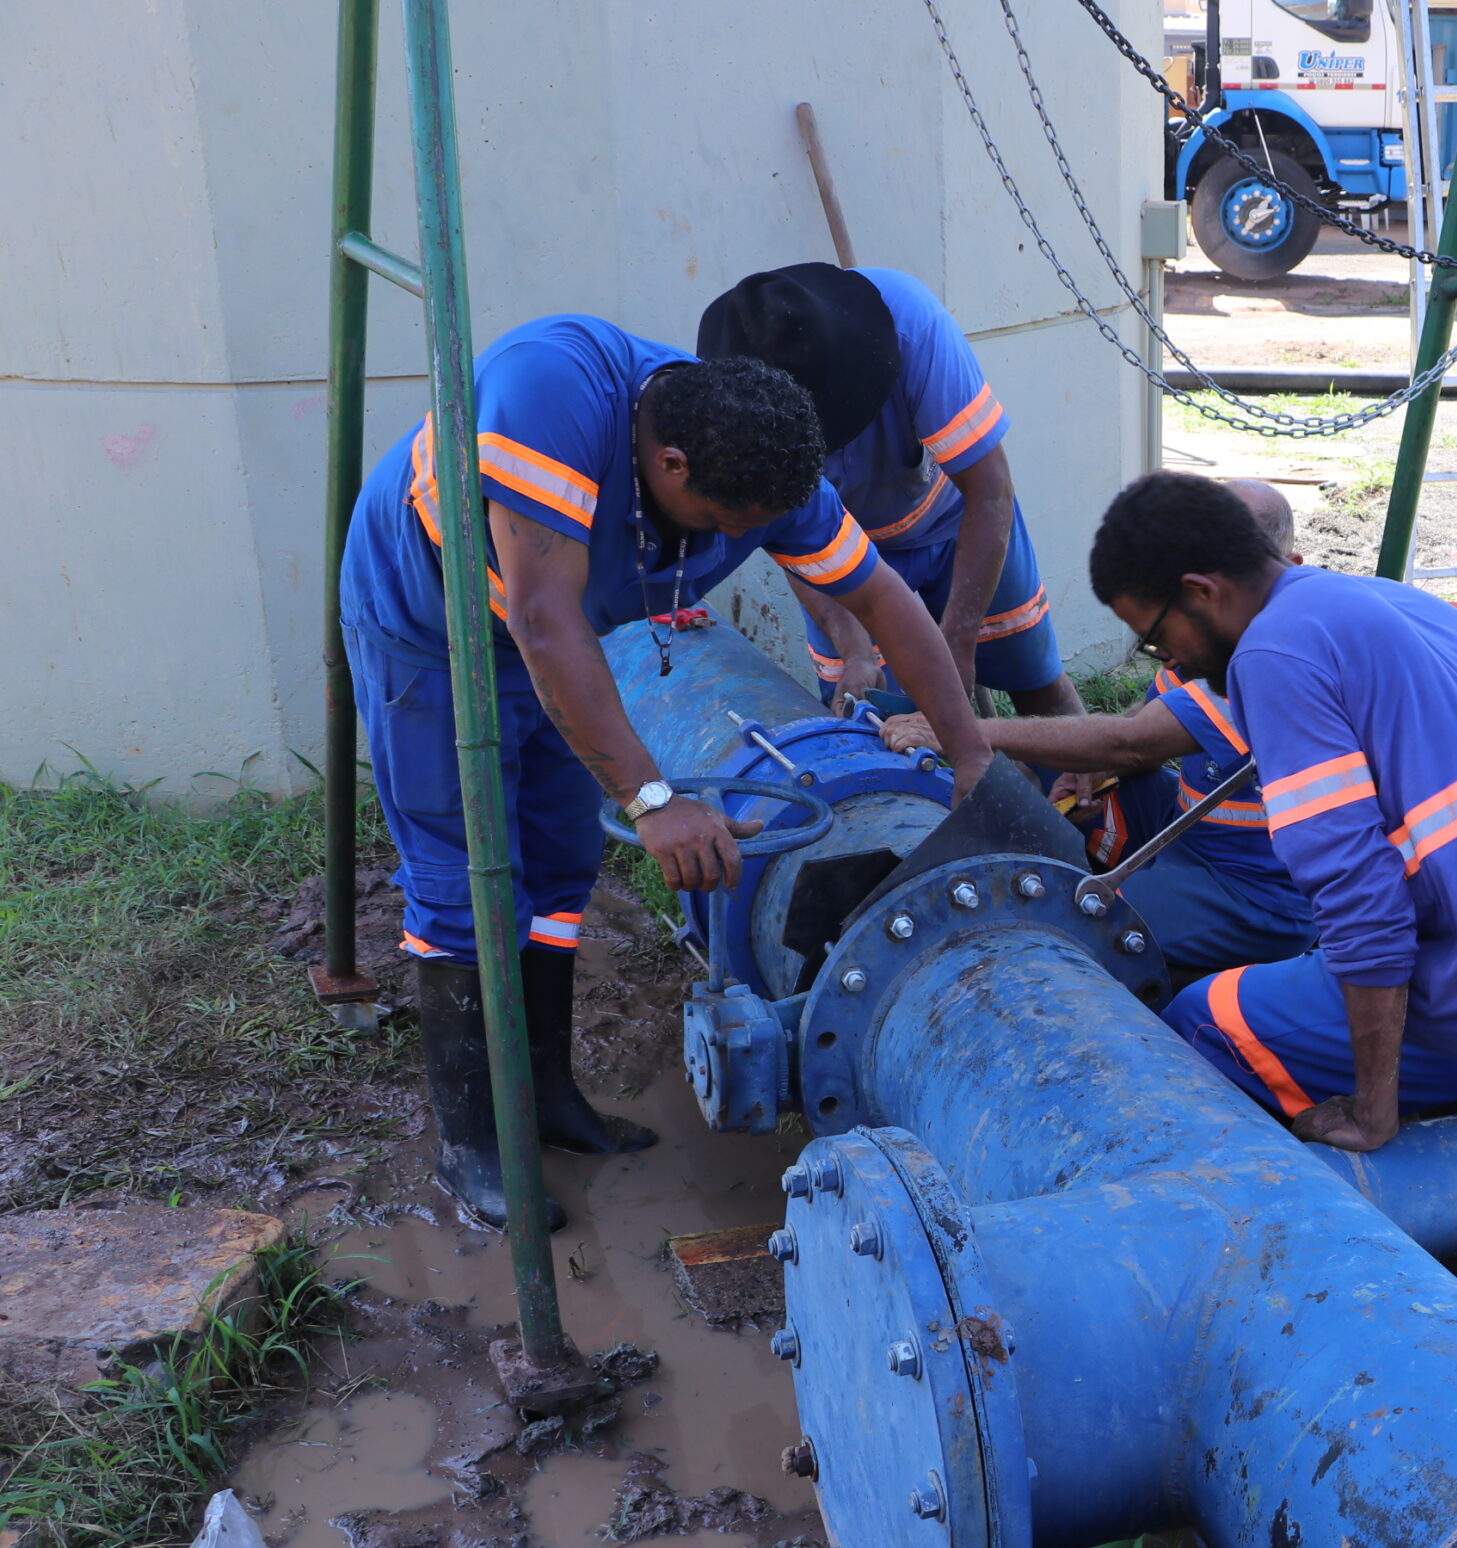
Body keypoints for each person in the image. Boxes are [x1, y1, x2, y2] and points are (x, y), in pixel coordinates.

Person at [341, 314, 993, 1229]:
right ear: (672, 466)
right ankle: (470, 1142)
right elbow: (539, 619)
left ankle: (547, 1093)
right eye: (726, 529)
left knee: (561, 864)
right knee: (465, 877)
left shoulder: (761, 459)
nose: (738, 543)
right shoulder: (549, 398)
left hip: (565, 636)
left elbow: (881, 597)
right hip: (433, 631)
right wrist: (653, 797)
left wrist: (971, 761)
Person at [1086, 472, 1457, 1152]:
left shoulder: (1271, 655)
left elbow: (1361, 899)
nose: (1166, 658)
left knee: (1200, 1020)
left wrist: (1371, 1105)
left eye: (1155, 636)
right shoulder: (1391, 601)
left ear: (1202, 591)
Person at [876, 481, 1316, 980]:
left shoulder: (1277, 651)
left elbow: (1134, 742)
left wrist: (962, 733)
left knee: (1070, 914)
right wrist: (1096, 767)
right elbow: (1138, 726)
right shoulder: (1215, 623)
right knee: (1055, 764)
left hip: (1254, 892)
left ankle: (1062, 922)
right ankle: (1046, 871)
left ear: (1288, 564)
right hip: (1192, 827)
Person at [696, 264, 1085, 718]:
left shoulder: (913, 326)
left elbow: (990, 490)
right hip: (841, 557)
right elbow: (792, 539)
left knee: (1037, 687)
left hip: (961, 523)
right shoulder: (735, 400)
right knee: (872, 720)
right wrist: (856, 650)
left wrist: (956, 644)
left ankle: (1092, 783)